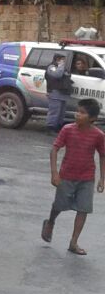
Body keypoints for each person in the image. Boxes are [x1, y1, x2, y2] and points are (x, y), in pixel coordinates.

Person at [42, 97, 105, 255]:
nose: (77, 115)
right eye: (77, 111)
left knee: (83, 209)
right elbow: (54, 149)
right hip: (66, 176)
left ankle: (73, 242)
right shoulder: (68, 130)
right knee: (59, 205)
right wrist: (54, 173)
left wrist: (102, 178)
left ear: (92, 118)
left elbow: (103, 155)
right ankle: (50, 222)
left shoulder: (98, 135)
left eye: (82, 113)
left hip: (87, 178)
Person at [44, 52, 73, 130]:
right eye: (62, 59)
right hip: (55, 92)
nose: (64, 61)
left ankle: (58, 127)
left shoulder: (63, 67)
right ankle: (50, 127)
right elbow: (57, 75)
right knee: (54, 111)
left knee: (61, 112)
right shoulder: (52, 67)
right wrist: (61, 66)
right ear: (57, 59)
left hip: (63, 93)